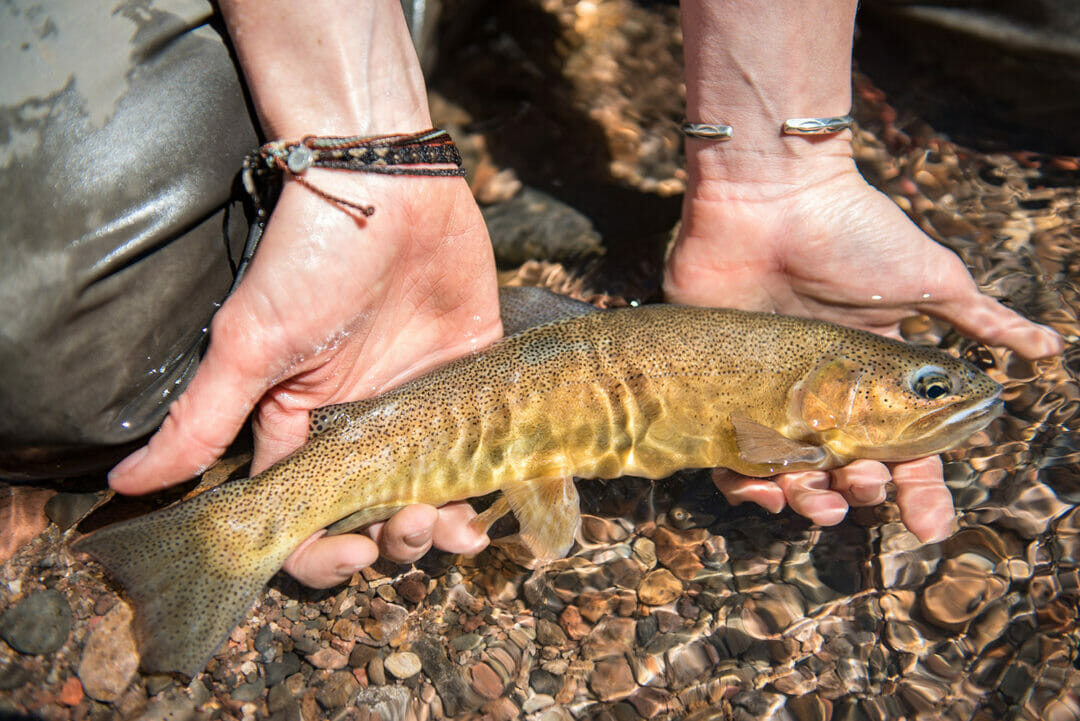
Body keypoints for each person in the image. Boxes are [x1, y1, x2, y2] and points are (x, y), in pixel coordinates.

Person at [0, 0, 1062, 589]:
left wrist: (776, 156)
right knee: (41, 358)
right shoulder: (787, 412)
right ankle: (222, 537)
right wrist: (365, 146)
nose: (943, 397)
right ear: (839, 388)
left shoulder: (796, 395)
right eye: (925, 385)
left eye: (929, 389)